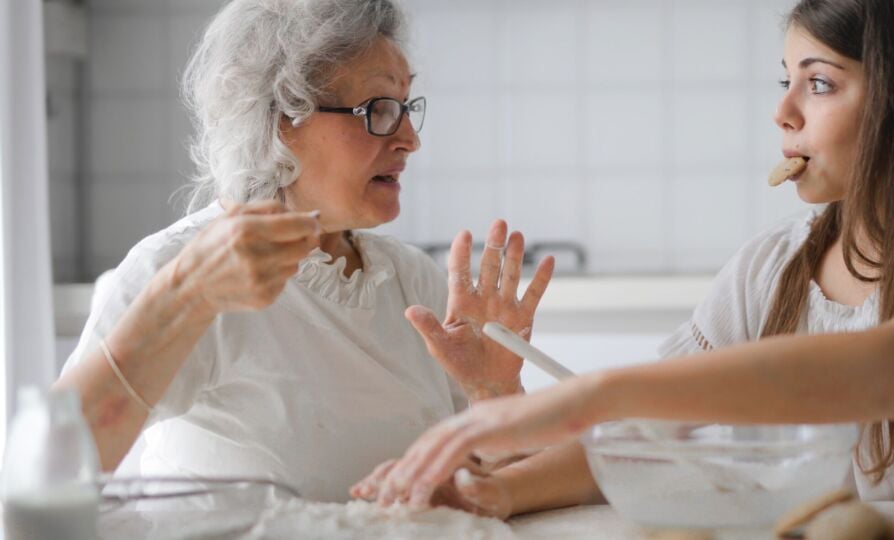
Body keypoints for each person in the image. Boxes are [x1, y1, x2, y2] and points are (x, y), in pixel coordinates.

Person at [355, 0, 894, 513]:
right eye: (787, 82)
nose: (783, 111)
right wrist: (498, 486)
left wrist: (599, 391)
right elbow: (649, 439)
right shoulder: (769, 267)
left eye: (819, 83)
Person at [53, 0, 552, 502]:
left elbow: (492, 491)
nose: (410, 139)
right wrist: (183, 299)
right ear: (279, 120)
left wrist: (494, 394)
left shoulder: (413, 281)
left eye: (406, 107)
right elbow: (52, 471)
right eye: (378, 110)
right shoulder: (178, 268)